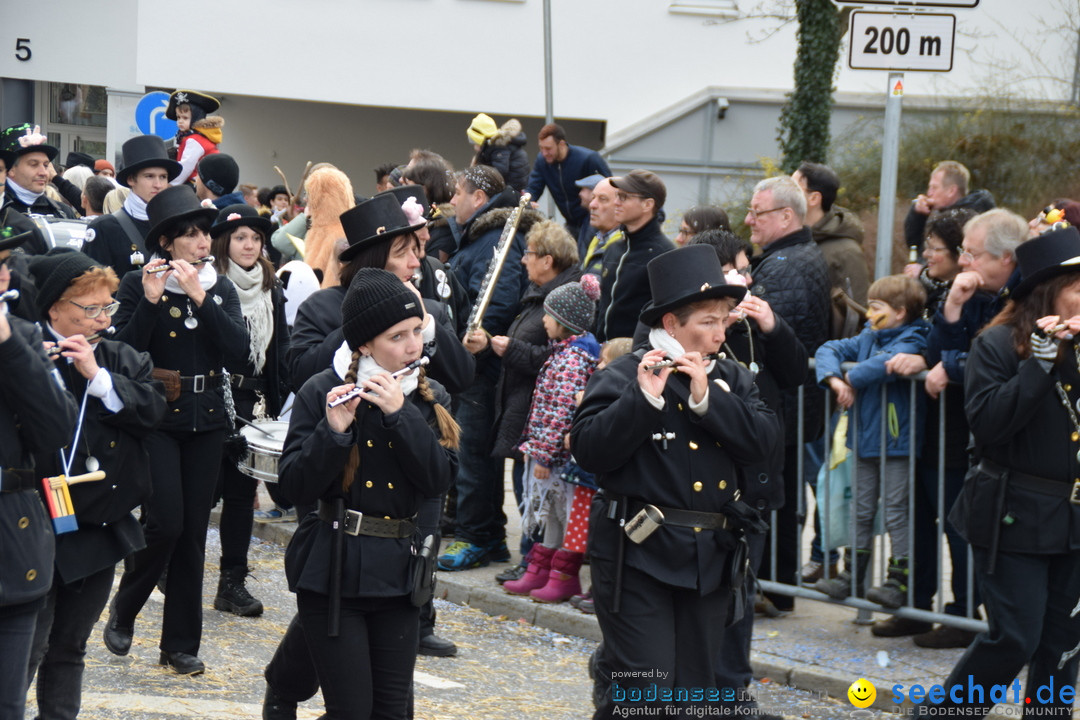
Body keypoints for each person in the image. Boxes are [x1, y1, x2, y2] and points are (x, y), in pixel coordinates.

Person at [574, 244, 780, 718]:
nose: (720, 331)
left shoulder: (732, 378)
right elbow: (588, 448)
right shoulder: (629, 372)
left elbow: (763, 443)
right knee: (644, 693)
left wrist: (711, 401)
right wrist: (642, 403)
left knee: (692, 695)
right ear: (671, 325)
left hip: (709, 558)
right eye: (707, 321)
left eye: (724, 318)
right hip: (637, 551)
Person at [278, 267, 458, 720]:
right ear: (363, 344)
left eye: (417, 331)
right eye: (397, 336)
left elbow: (438, 479)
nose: (413, 345)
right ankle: (281, 689)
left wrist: (402, 415)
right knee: (351, 712)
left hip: (400, 572)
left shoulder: (430, 398)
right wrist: (333, 433)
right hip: (334, 568)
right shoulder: (323, 390)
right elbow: (291, 486)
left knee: (393, 713)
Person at [926, 224, 1080, 718]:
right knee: (1016, 636)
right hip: (1011, 512)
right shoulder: (996, 345)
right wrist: (1040, 363)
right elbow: (990, 424)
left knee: (1063, 643)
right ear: (1048, 292)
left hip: (1072, 517)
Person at [104, 184, 249, 675]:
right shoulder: (135, 282)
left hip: (206, 419)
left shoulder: (220, 286)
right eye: (188, 235)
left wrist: (201, 298)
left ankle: (180, 645)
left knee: (191, 533)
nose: (201, 242)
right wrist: (147, 301)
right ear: (166, 242)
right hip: (157, 418)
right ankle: (124, 607)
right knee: (165, 521)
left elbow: (238, 351)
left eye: (205, 233)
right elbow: (121, 353)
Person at [25, 249, 165, 720]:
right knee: (26, 647)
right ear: (53, 308)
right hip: (32, 523)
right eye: (91, 309)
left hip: (97, 523)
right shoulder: (19, 356)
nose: (103, 319)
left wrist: (100, 379)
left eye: (108, 308)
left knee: (70, 645)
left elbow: (152, 411)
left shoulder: (121, 357)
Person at [688, 230, 806, 715]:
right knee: (698, 601)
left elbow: (797, 373)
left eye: (746, 268)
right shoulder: (687, 327)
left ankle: (731, 693)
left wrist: (774, 327)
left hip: (756, 485)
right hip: (704, 490)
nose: (747, 276)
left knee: (740, 592)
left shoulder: (756, 326)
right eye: (737, 267)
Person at [437, 165, 543, 571]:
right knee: (467, 454)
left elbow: (494, 303)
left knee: (474, 455)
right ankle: (483, 533)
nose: (453, 201)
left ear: (479, 198)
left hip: (480, 368)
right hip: (468, 364)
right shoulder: (480, 237)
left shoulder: (501, 239)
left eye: (458, 194)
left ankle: (478, 537)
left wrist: (470, 356)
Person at [812, 275, 929, 605]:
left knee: (896, 512)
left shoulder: (915, 336)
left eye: (876, 308)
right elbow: (829, 348)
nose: (868, 315)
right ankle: (852, 575)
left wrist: (851, 376)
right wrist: (835, 381)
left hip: (896, 443)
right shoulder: (868, 336)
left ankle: (898, 579)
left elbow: (884, 364)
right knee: (860, 510)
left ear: (900, 312)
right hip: (862, 439)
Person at [744, 175, 831, 614]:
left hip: (783, 404)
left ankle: (774, 586)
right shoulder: (792, 257)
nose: (749, 220)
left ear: (786, 216)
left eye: (757, 213)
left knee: (775, 498)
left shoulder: (783, 267)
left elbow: (767, 341)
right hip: (795, 404)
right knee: (784, 496)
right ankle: (778, 585)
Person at [0, 235, 78, 720]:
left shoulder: (24, 338)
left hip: (14, 544)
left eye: (4, 264)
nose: (3, 276)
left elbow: (57, 430)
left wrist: (10, 347)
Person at [484, 220, 583, 584]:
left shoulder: (565, 300)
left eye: (529, 253)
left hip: (539, 419)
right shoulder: (538, 293)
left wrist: (513, 349)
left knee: (541, 496)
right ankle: (531, 560)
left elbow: (557, 358)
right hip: (524, 408)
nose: (524, 260)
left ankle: (537, 563)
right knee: (527, 487)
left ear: (549, 260)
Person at [209, 204, 292, 617]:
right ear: (225, 242)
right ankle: (170, 565)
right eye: (241, 237)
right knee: (201, 491)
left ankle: (232, 582)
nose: (249, 245)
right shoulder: (208, 281)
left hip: (254, 401)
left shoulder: (271, 286)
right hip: (211, 398)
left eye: (256, 239)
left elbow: (281, 348)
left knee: (243, 497)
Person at [504, 274, 600, 602]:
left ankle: (562, 576)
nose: (543, 320)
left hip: (558, 459)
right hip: (551, 454)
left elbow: (561, 412)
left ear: (564, 323)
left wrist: (544, 454)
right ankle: (544, 570)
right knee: (554, 514)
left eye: (549, 316)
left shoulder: (572, 360)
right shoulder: (563, 352)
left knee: (561, 513)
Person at [595, 170, 675, 342]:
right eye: (617, 195)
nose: (616, 202)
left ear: (647, 204)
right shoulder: (613, 248)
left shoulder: (665, 254)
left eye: (623, 197)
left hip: (636, 359)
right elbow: (602, 305)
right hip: (602, 352)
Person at [85, 135, 182, 277]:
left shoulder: (176, 224)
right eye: (149, 176)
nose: (158, 184)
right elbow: (92, 288)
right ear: (131, 179)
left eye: (163, 177)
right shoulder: (105, 227)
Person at [792, 161, 869, 339]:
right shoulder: (789, 238)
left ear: (814, 199)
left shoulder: (847, 252)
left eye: (794, 188)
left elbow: (858, 314)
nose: (786, 193)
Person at [525, 123, 611, 246]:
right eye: (541, 148)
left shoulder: (588, 159)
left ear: (561, 144)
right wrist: (528, 201)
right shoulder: (542, 161)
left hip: (590, 217)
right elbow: (534, 187)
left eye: (548, 149)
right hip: (570, 222)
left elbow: (610, 187)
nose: (544, 153)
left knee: (584, 254)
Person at [0, 124, 77, 254]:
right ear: (11, 169)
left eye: (46, 165)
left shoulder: (63, 212)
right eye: (34, 164)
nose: (43, 172)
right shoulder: (3, 212)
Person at [903, 160, 994, 253]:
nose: (929, 193)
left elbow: (951, 259)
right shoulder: (947, 215)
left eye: (934, 188)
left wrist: (922, 267)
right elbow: (915, 247)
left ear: (951, 191)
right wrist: (918, 214)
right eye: (929, 188)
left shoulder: (967, 220)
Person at [166, 90, 223, 186]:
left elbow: (186, 167)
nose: (180, 121)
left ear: (196, 117)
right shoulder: (192, 136)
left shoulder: (194, 140)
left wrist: (170, 185)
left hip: (196, 185)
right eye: (178, 117)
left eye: (185, 118)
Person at [468, 114, 529, 193]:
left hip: (510, 189)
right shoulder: (495, 147)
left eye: (475, 142)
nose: (474, 146)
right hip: (512, 187)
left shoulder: (499, 147)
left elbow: (499, 171)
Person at [581, 177, 622, 277]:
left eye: (602, 199)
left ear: (621, 206)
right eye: (593, 198)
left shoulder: (626, 247)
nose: (592, 205)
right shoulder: (597, 239)